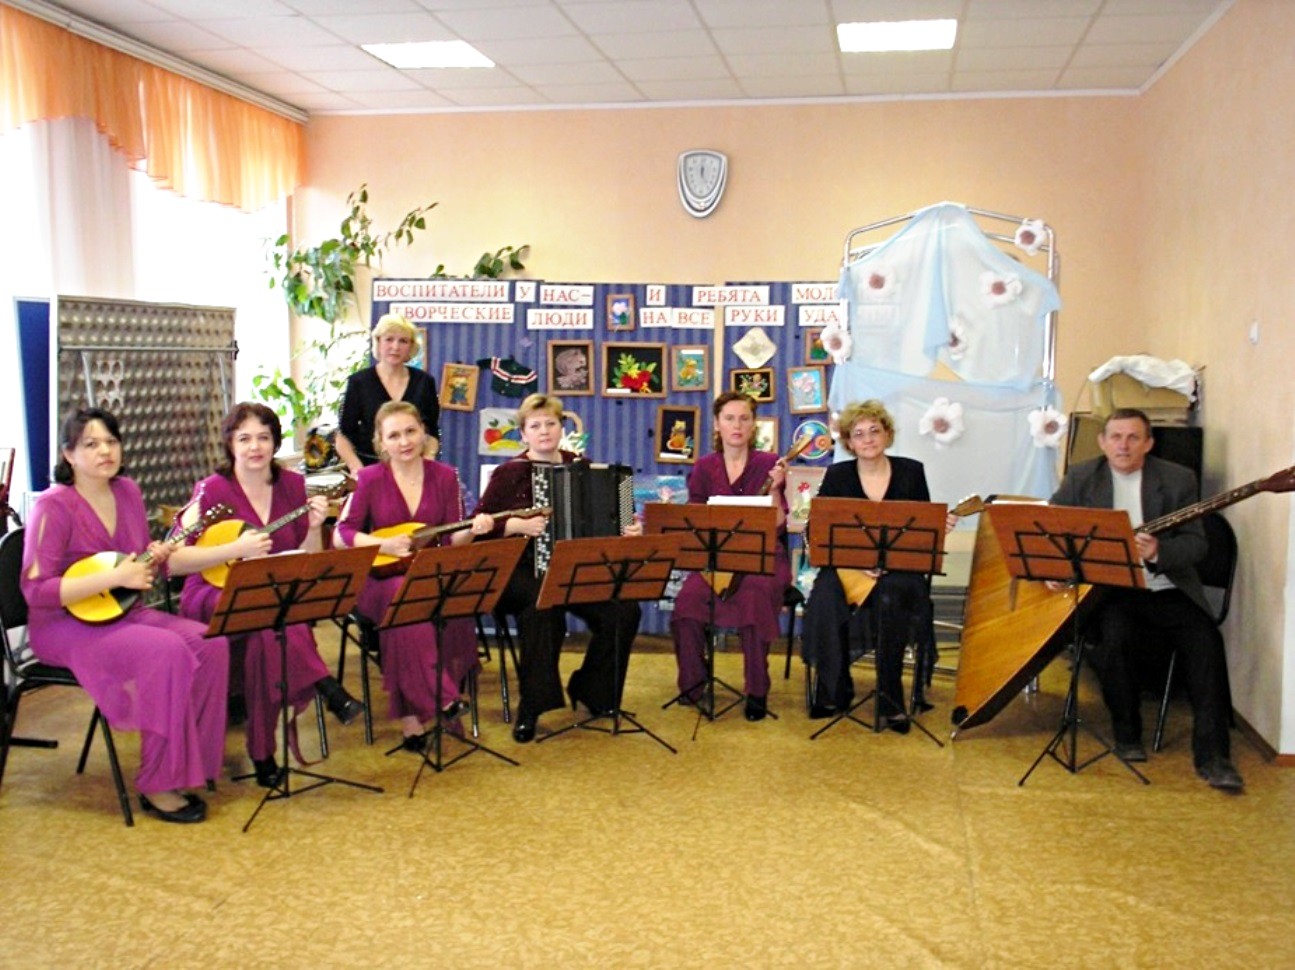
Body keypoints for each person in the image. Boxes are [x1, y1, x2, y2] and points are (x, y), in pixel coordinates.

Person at [20, 408, 228, 824]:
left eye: (111, 442)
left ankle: (193, 764)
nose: (105, 451)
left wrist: (154, 556)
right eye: (91, 444)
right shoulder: (52, 506)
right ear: (68, 455)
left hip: (122, 613)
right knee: (165, 651)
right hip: (64, 625)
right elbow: (36, 590)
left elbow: (136, 560)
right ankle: (158, 782)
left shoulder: (128, 491)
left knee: (212, 643)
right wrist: (116, 577)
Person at [168, 402, 365, 788]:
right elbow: (172, 561)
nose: (255, 446)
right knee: (276, 621)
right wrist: (233, 550)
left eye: (263, 437)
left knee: (268, 635)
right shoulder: (211, 491)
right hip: (213, 593)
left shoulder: (292, 486)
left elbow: (306, 560)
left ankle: (263, 751)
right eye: (244, 438)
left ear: (275, 442)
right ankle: (322, 686)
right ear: (230, 444)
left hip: (272, 598)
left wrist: (313, 527)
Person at [1050, 407, 1241, 791]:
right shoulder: (1083, 477)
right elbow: (1054, 528)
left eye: (1133, 437)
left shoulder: (1177, 479)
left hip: (1166, 587)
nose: (1123, 445)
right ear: (1103, 442)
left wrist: (1158, 551)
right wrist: (1055, 569)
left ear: (1148, 444)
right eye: (1116, 437)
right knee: (1114, 637)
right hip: (1112, 589)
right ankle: (1127, 734)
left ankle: (1214, 757)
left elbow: (1197, 545)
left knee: (1206, 642)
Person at [467, 393, 642, 743]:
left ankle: (592, 690)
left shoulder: (582, 466)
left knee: (624, 610)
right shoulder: (509, 473)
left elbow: (615, 514)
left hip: (575, 567)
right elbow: (478, 526)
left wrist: (629, 526)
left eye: (551, 423)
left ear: (562, 428)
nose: (544, 430)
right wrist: (516, 525)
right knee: (542, 606)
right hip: (521, 570)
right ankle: (532, 707)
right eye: (535, 425)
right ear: (523, 434)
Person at [333, 401, 478, 751]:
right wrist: (381, 544)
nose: (404, 442)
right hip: (380, 580)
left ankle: (413, 719)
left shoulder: (445, 476)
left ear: (423, 432)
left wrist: (474, 529)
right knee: (403, 597)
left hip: (428, 575)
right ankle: (443, 697)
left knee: (441, 606)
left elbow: (452, 538)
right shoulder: (369, 479)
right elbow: (342, 535)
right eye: (394, 435)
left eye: (411, 431)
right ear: (381, 442)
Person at [802, 400, 933, 732]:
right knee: (826, 593)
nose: (868, 439)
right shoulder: (837, 475)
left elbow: (922, 530)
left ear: (887, 434)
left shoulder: (911, 472)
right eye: (858, 434)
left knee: (893, 595)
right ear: (849, 442)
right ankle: (834, 687)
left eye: (874, 430)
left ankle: (891, 697)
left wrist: (893, 560)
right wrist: (856, 562)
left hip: (898, 569)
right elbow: (818, 529)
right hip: (848, 566)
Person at [669, 391, 790, 721]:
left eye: (744, 418)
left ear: (753, 425)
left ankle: (757, 690)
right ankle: (693, 684)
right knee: (687, 603)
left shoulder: (769, 463)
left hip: (763, 557)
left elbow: (779, 524)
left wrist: (775, 488)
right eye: (729, 418)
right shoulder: (704, 467)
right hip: (716, 559)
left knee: (754, 596)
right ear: (717, 424)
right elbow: (694, 519)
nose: (737, 425)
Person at [335, 313, 440, 472]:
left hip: (414, 469)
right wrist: (357, 470)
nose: (395, 347)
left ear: (411, 347)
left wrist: (427, 461)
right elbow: (343, 435)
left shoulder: (424, 382)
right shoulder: (358, 382)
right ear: (378, 342)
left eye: (403, 341)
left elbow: (431, 432)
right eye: (389, 339)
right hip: (370, 469)